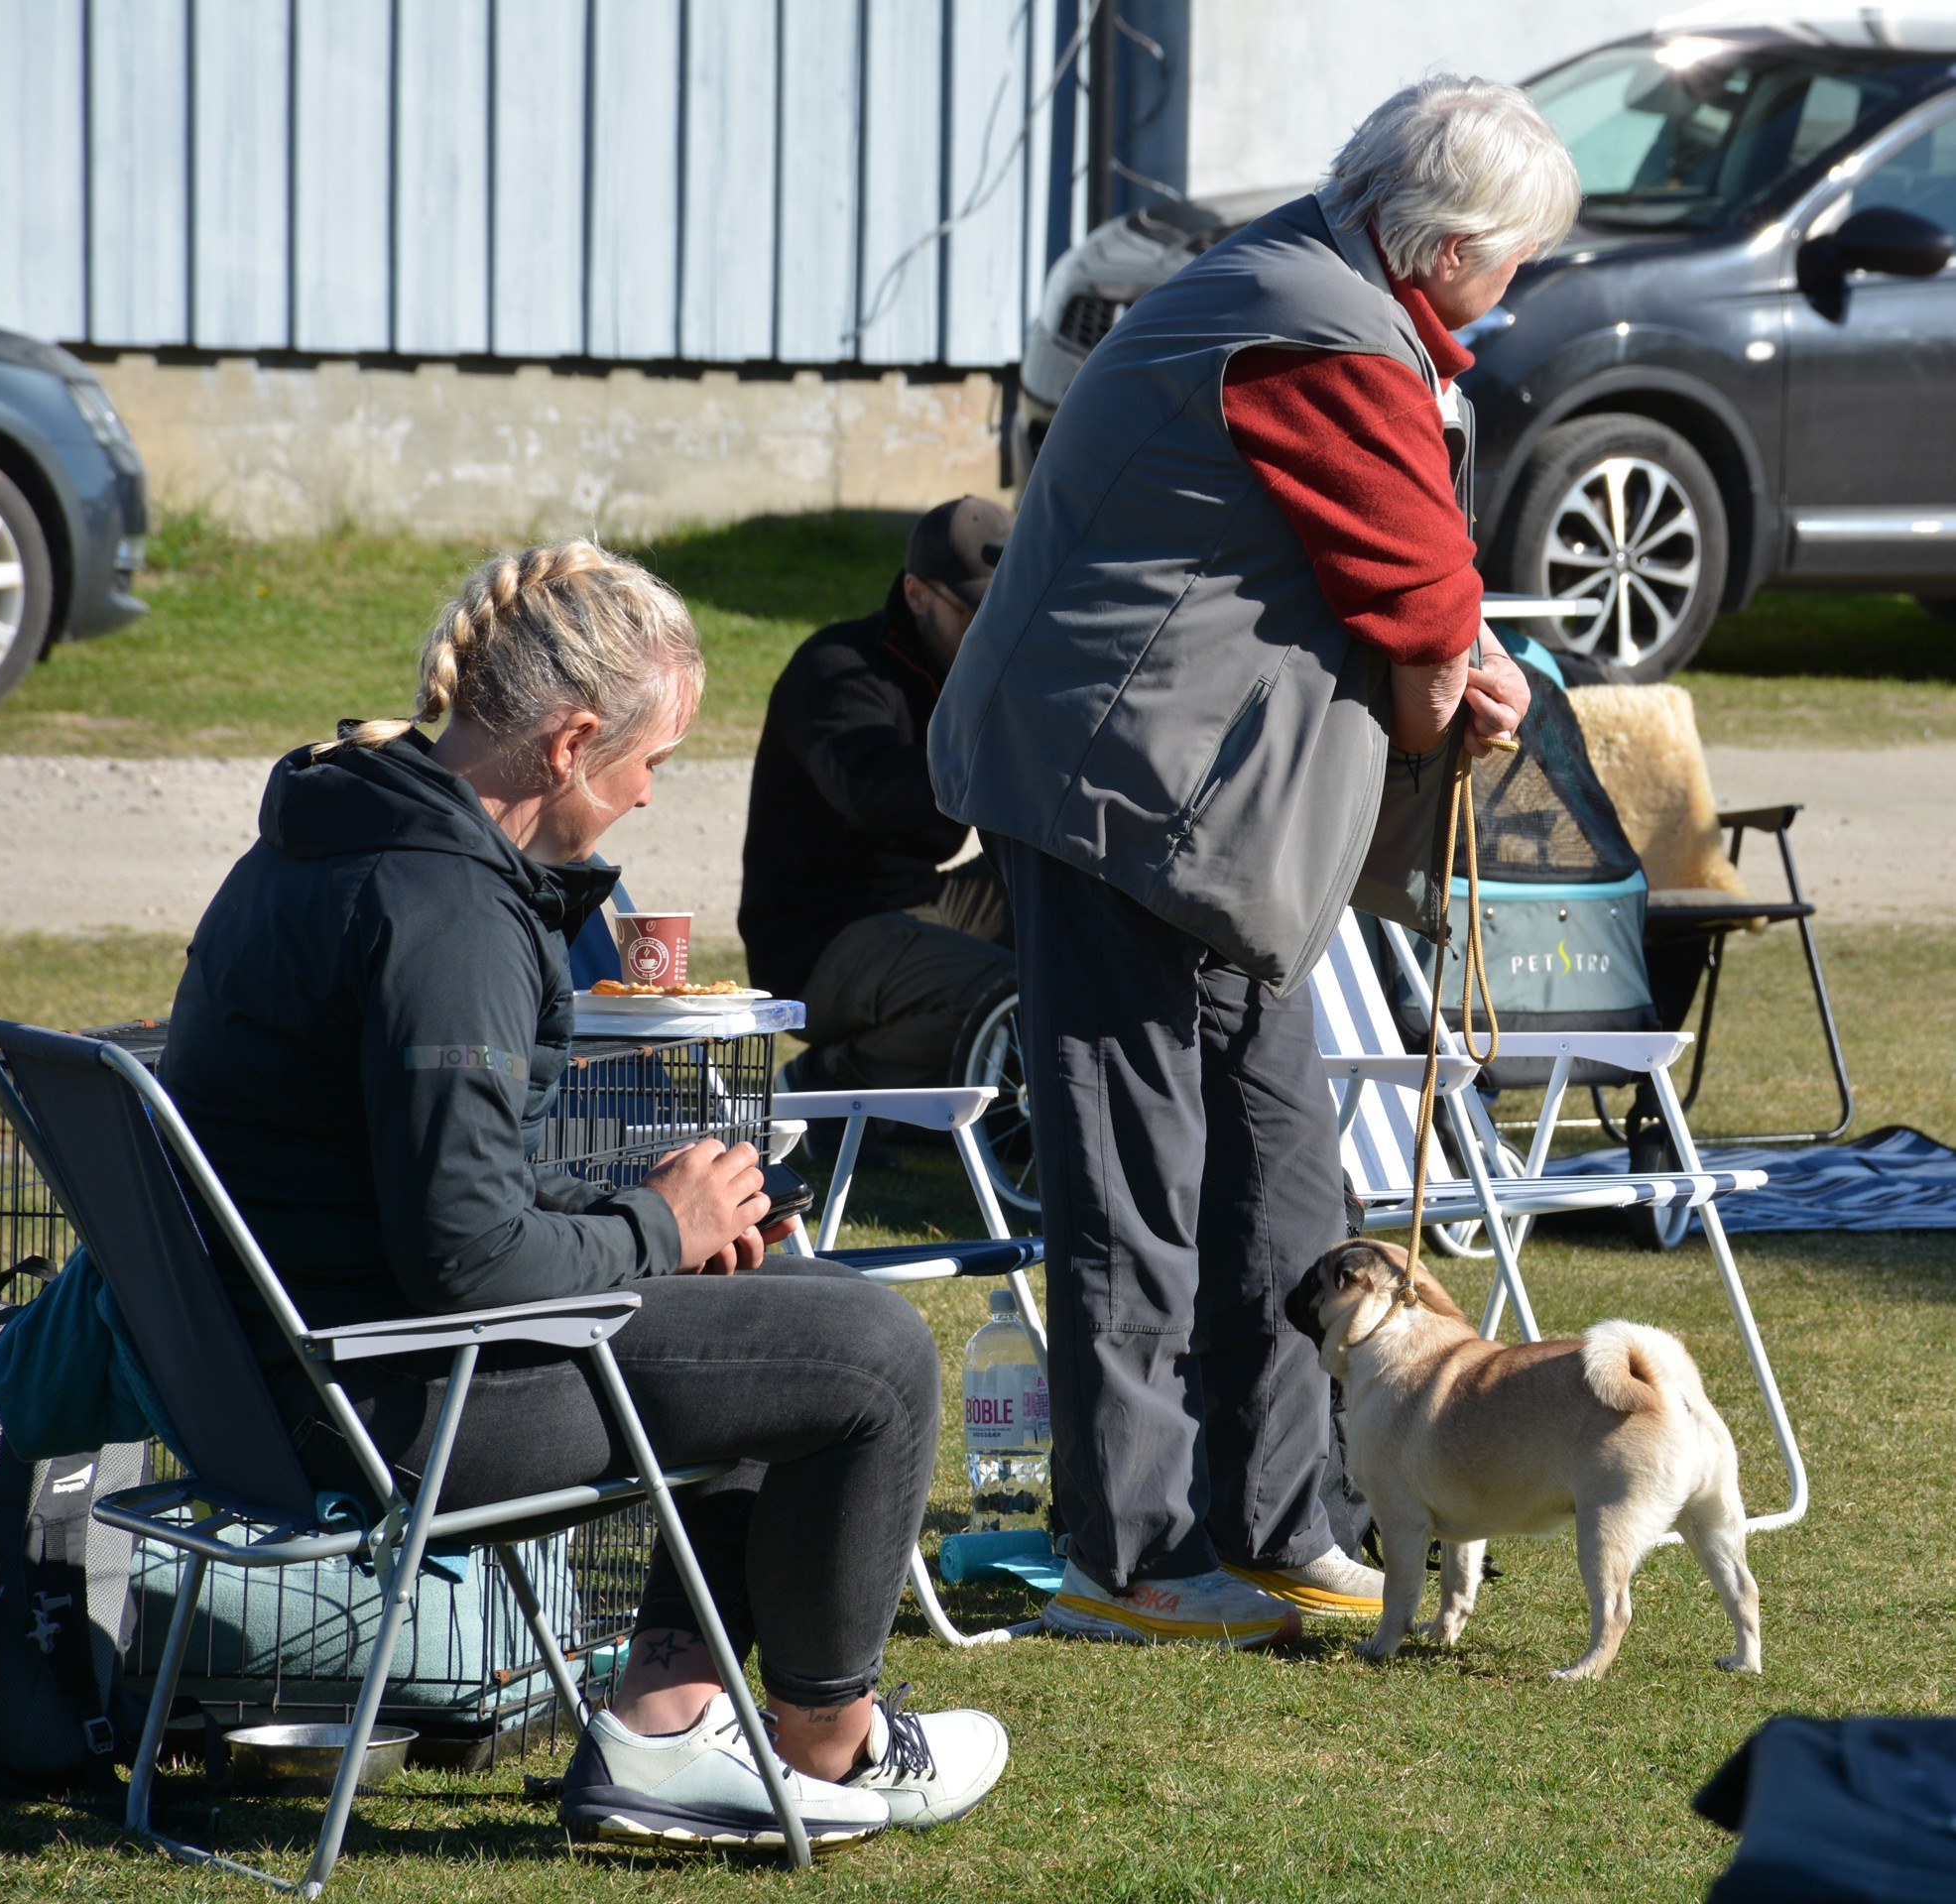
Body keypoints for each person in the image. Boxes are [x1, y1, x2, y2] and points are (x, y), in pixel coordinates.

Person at [158, 542, 1007, 1850]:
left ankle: (666, 1722)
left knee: (760, 1298)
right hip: (391, 1404)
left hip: (271, 1384)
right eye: (648, 761)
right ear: (566, 746)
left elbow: (422, 1170)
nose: (648, 794)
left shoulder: (338, 837)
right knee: (870, 1353)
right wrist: (657, 1224)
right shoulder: (446, 915)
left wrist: (662, 1211)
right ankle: (832, 1743)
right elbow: (463, 1256)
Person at [928, 78, 1572, 1646]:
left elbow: (1411, 596)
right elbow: (1420, 617)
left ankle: (1283, 1521)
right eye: (1518, 257)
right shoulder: (1317, 334)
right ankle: (1130, 1554)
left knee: (1281, 1172)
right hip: (1117, 802)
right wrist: (1451, 689)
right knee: (1135, 1182)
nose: (1522, 285)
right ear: (1450, 249)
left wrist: (1453, 659)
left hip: (1210, 822)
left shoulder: (1319, 295)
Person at [739, 497, 1016, 1100]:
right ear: (916, 594)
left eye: (1008, 609)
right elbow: (875, 794)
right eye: (975, 611)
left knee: (1074, 899)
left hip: (918, 900)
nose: (991, 630)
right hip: (820, 938)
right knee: (1004, 994)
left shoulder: (970, 671)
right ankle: (826, 1082)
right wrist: (1001, 747)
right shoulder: (836, 669)